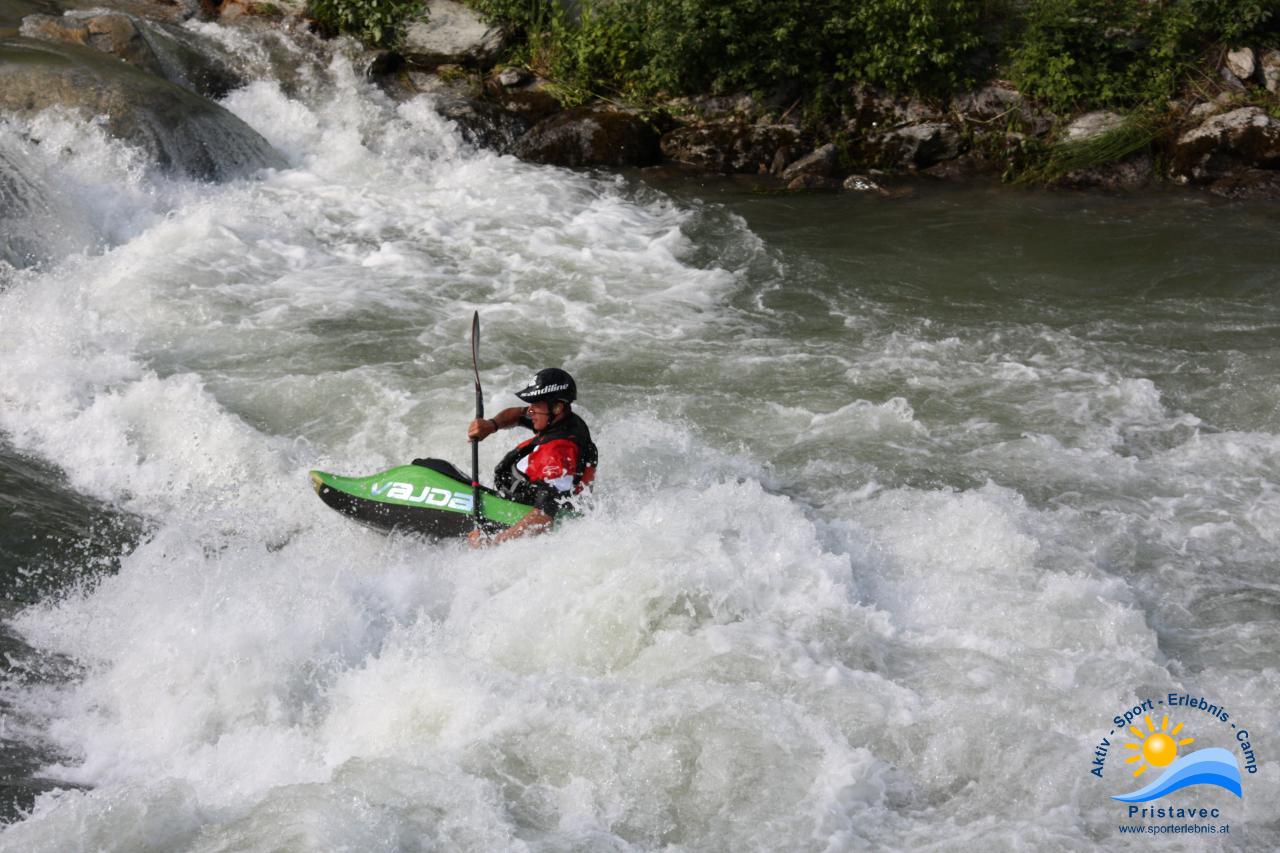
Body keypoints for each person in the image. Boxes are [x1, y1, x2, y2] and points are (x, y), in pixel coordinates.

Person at [466, 368, 597, 546]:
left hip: (521, 519)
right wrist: (492, 425)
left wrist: (492, 544)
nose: (530, 410)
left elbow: (544, 518)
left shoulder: (559, 453)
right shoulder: (559, 420)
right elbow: (519, 414)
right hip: (521, 500)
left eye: (536, 404)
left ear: (557, 407)